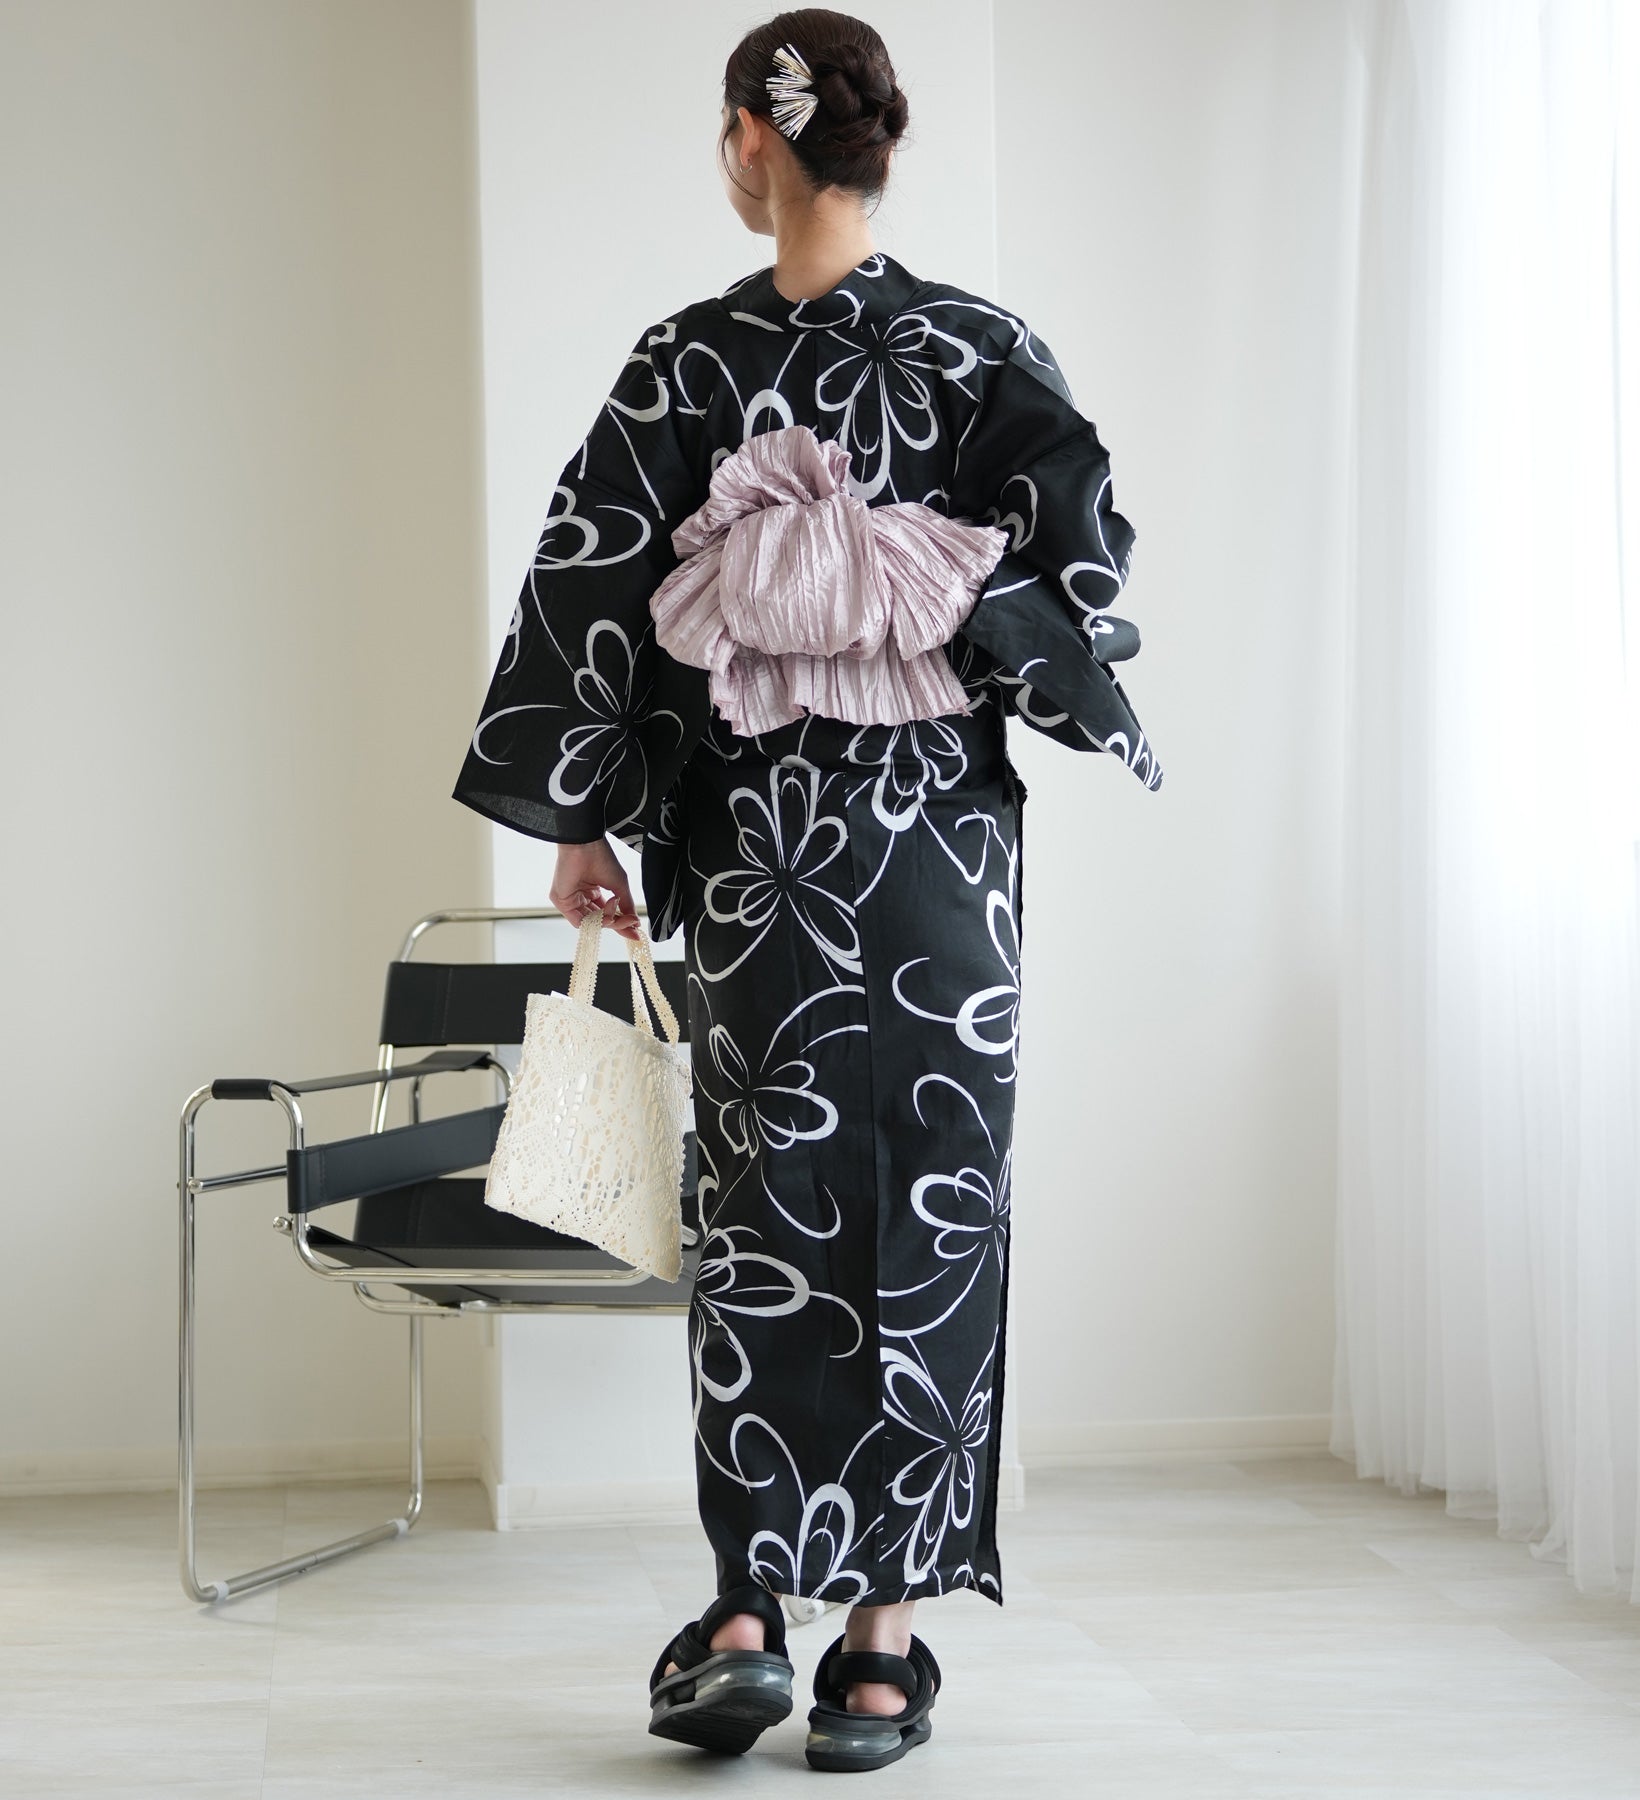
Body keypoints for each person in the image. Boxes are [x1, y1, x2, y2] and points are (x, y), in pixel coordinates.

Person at [451, 6, 1161, 1774]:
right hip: (937, 860)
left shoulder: (685, 364)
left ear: (748, 142)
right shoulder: (981, 348)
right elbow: (1080, 578)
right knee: (934, 1204)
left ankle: (744, 1614)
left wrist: (582, 818)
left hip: (758, 852)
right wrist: (923, 584)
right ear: (875, 144)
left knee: (761, 1207)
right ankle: (879, 1653)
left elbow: (590, 588)